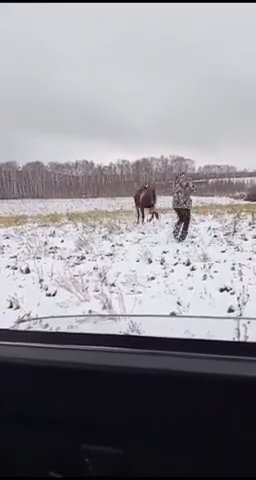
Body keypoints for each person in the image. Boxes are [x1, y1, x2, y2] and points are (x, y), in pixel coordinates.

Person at [172, 172, 196, 242]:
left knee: (183, 219)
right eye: (183, 179)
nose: (184, 181)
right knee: (185, 219)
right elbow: (186, 192)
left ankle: (178, 233)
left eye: (185, 179)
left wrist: (191, 185)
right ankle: (180, 235)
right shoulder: (179, 185)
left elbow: (193, 190)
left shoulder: (183, 184)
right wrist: (190, 186)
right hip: (181, 205)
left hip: (182, 205)